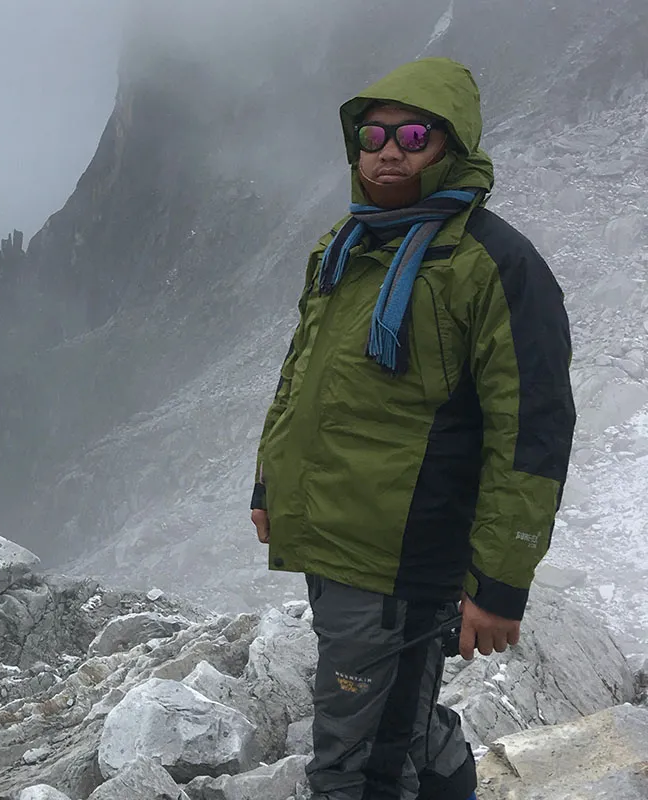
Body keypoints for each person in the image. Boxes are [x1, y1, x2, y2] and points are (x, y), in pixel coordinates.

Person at [250, 57, 576, 800]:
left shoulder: (494, 264)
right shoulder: (349, 245)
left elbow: (533, 429)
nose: (388, 149)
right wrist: (270, 483)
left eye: (414, 133)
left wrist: (500, 582)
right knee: (401, 723)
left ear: (451, 146)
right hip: (335, 536)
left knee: (356, 763)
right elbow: (303, 376)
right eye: (373, 134)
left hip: (404, 558)